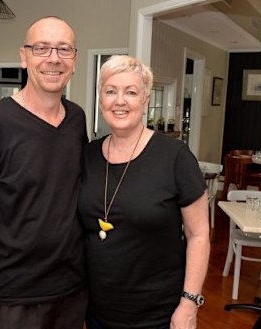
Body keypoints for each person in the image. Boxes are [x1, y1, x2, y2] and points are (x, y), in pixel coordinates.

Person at [0, 16, 88, 329]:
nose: (54, 58)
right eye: (42, 48)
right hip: (15, 296)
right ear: (24, 56)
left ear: (74, 60)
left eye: (64, 49)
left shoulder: (77, 119)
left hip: (73, 289)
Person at [77, 55, 210, 329]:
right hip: (97, 311)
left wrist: (189, 303)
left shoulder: (175, 157)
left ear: (146, 100)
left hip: (157, 315)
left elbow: (199, 235)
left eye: (131, 92)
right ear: (100, 99)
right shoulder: (88, 154)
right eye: (111, 91)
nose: (120, 101)